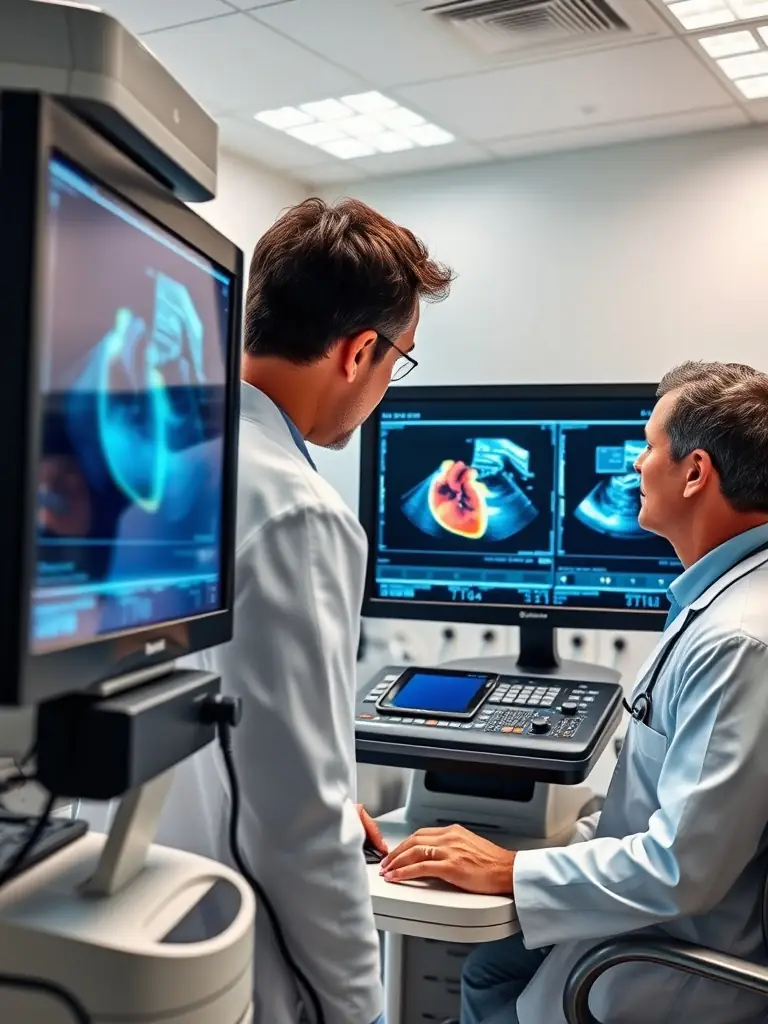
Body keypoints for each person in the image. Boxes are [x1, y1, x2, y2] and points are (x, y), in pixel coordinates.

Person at [380, 360, 768, 1024]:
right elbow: (654, 806)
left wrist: (510, 871)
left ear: (696, 472)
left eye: (648, 446)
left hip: (670, 962)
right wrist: (541, 854)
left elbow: (685, 868)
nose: (637, 465)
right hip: (642, 929)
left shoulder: (737, 641)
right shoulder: (720, 605)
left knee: (491, 982)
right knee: (490, 967)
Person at [155, 197, 453, 1024]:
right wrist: (358, 1009)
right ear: (361, 351)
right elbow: (300, 832)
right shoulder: (302, 513)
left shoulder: (163, 462)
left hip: (131, 909)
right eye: (401, 362)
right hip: (231, 950)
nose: (388, 386)